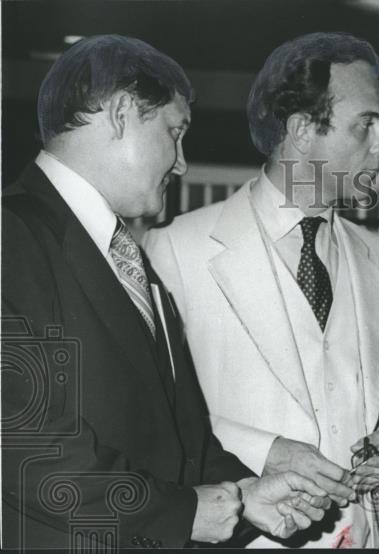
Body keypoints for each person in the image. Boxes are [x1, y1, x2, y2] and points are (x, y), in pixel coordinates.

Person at [1, 35, 331, 549]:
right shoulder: (10, 233)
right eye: (174, 133)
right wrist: (179, 512)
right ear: (122, 113)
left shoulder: (127, 257)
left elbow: (177, 437)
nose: (180, 162)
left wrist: (245, 493)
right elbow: (22, 441)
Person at [144, 32, 379, 548]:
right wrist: (267, 451)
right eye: (367, 124)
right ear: (301, 130)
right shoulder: (176, 251)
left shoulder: (375, 255)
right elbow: (152, 416)